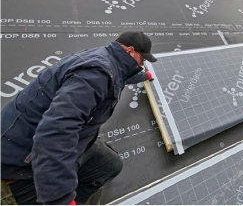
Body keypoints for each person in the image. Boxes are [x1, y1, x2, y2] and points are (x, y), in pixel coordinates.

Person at [1, 31, 157, 205]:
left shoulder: (108, 59)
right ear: (130, 51)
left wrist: (144, 76)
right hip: (22, 161)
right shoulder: (96, 73)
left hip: (58, 143)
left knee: (109, 165)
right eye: (142, 59)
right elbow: (54, 133)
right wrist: (61, 198)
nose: (142, 64)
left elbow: (123, 74)